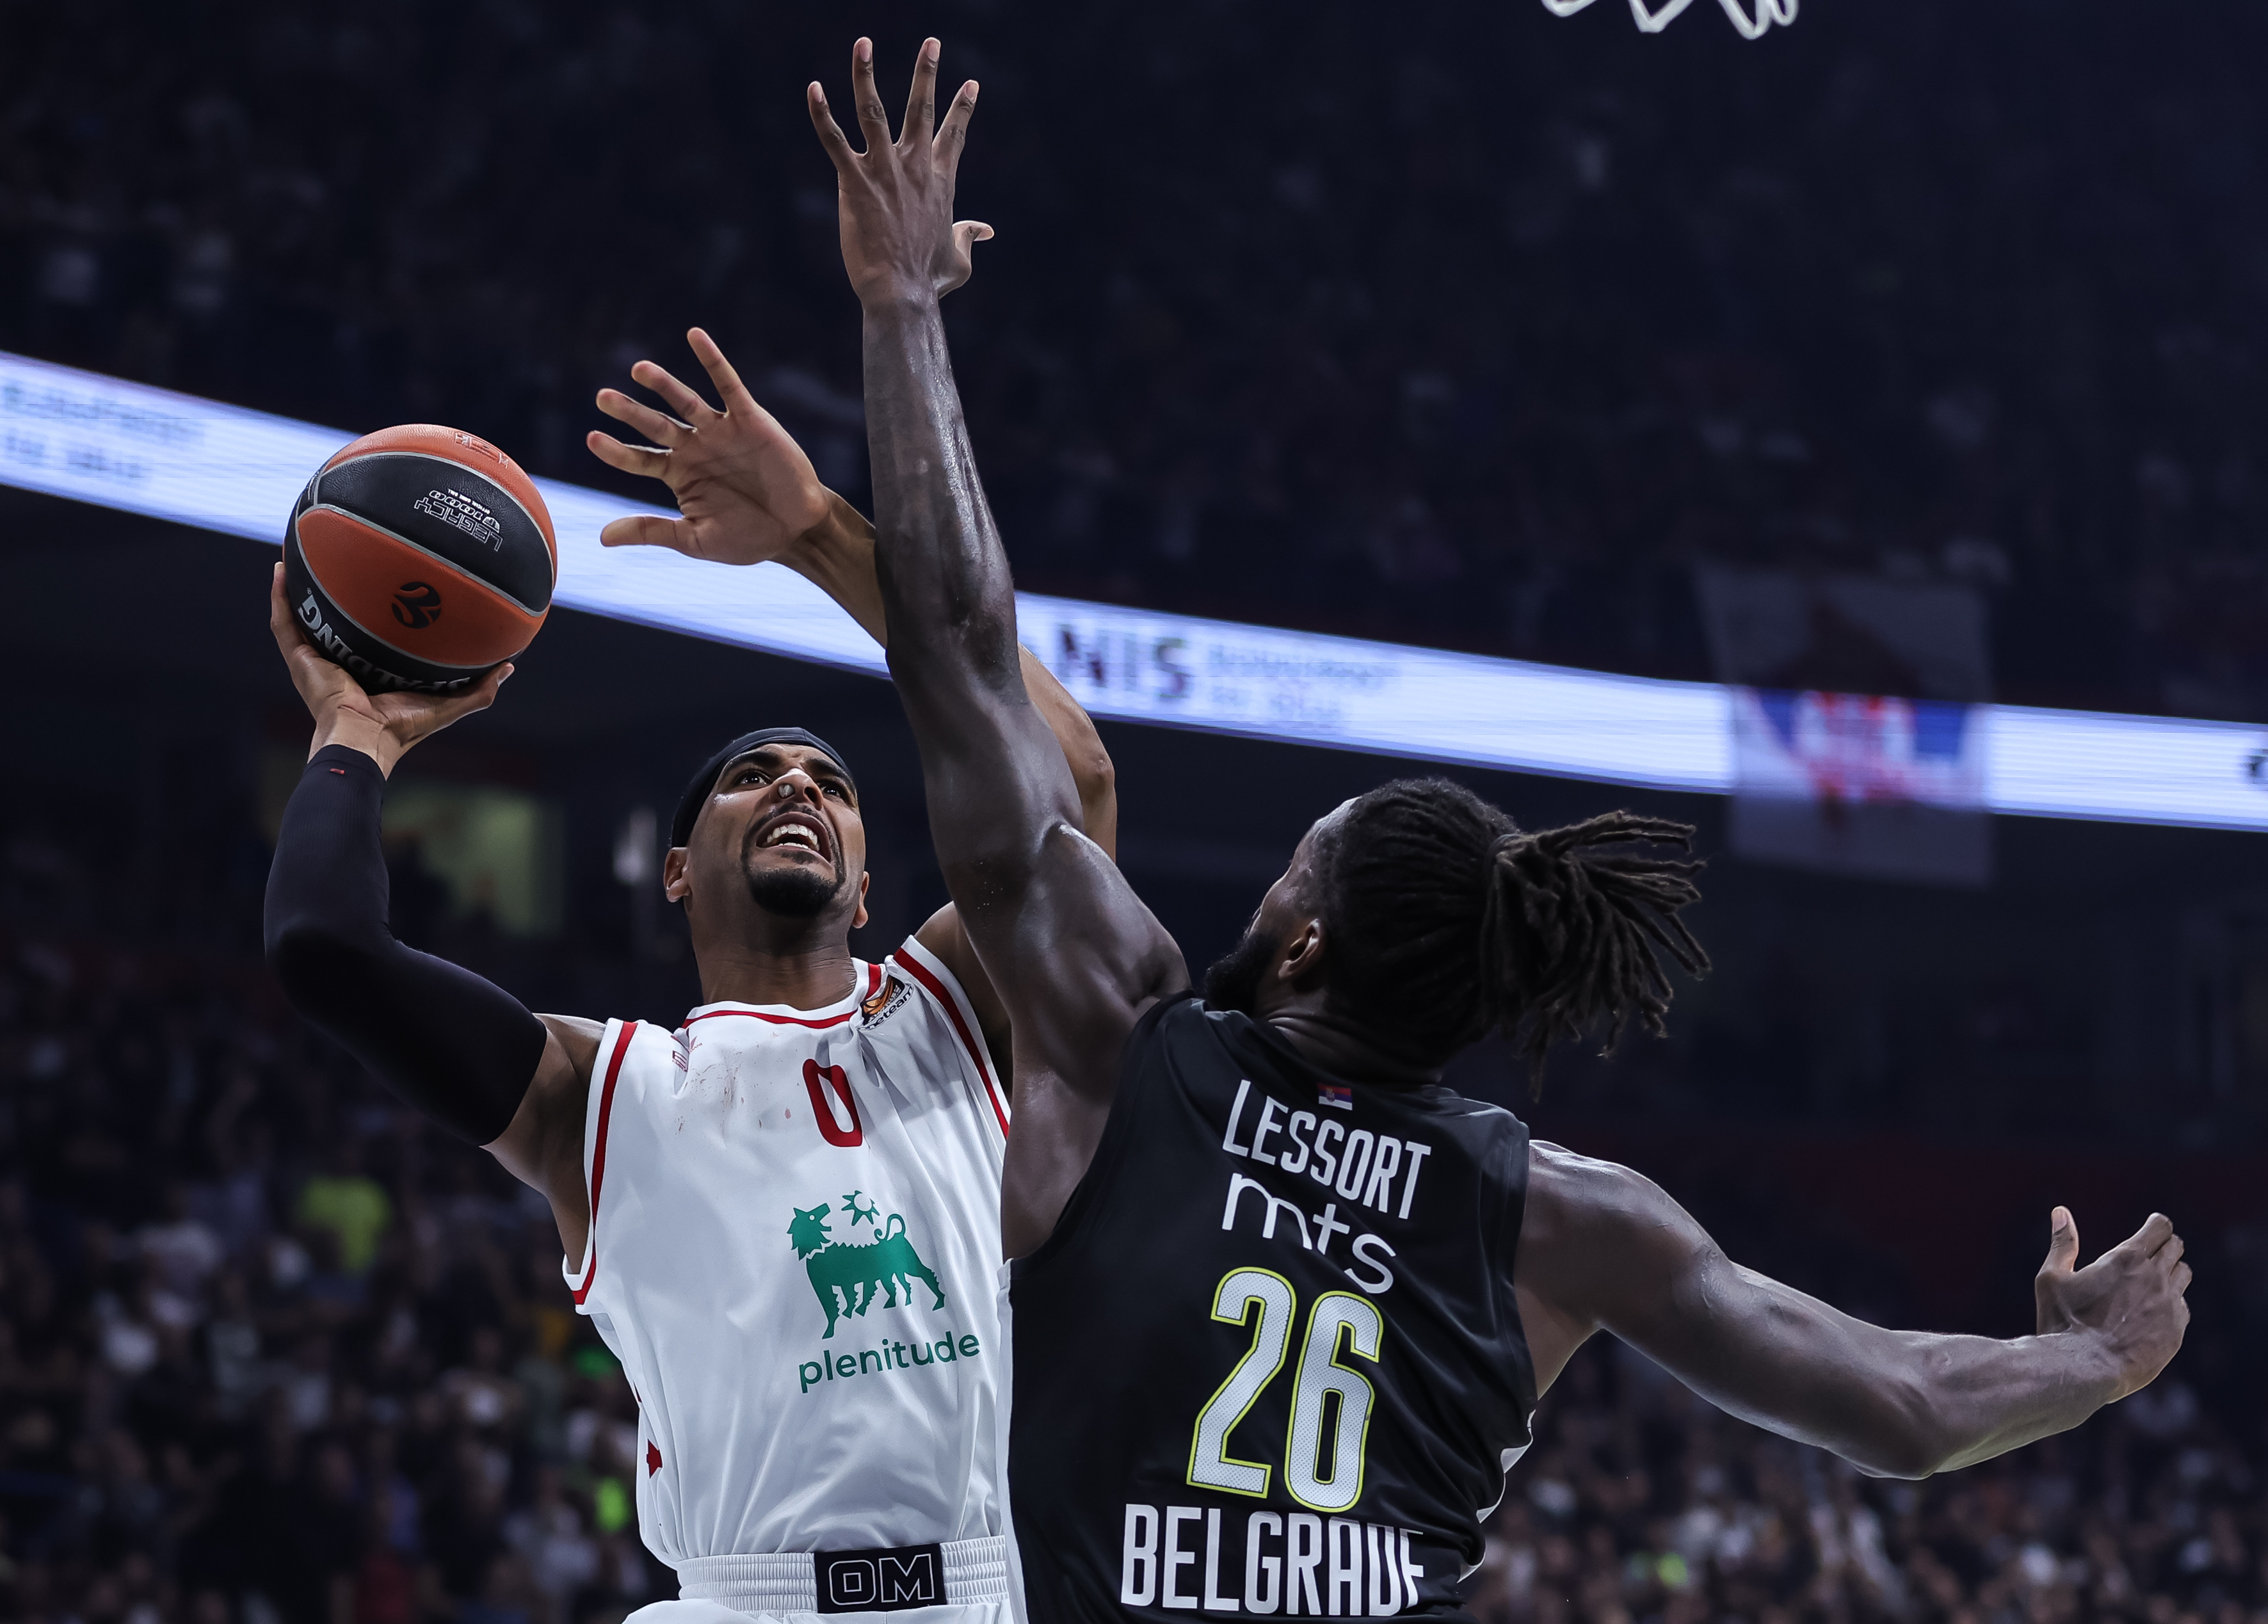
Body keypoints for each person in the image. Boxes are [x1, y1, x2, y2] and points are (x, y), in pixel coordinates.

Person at [805, 35, 2197, 1624]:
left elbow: (962, 649)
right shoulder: (1562, 1214)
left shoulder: (1130, 1041)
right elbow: (1896, 1407)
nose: (1263, 888)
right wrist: (2088, 1359)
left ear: (1307, 933)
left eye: (1288, 865)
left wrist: (902, 314)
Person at [262, 173, 1109, 1615]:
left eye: (828, 781)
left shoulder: (952, 1013)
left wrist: (816, 534)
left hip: (983, 1594)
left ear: (861, 872)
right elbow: (327, 949)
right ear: (675, 871)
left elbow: (1070, 786)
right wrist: (360, 733)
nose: (795, 787)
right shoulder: (601, 1093)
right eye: (749, 776)